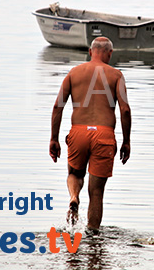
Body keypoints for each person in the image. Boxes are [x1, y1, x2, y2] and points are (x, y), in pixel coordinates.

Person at [49, 37, 131, 232]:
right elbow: (125, 110)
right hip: (103, 134)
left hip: (78, 132)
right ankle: (93, 236)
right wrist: (126, 141)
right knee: (96, 192)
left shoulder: (73, 73)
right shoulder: (116, 75)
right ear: (110, 53)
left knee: (74, 173)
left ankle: (73, 197)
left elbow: (57, 107)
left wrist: (54, 138)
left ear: (90, 51)